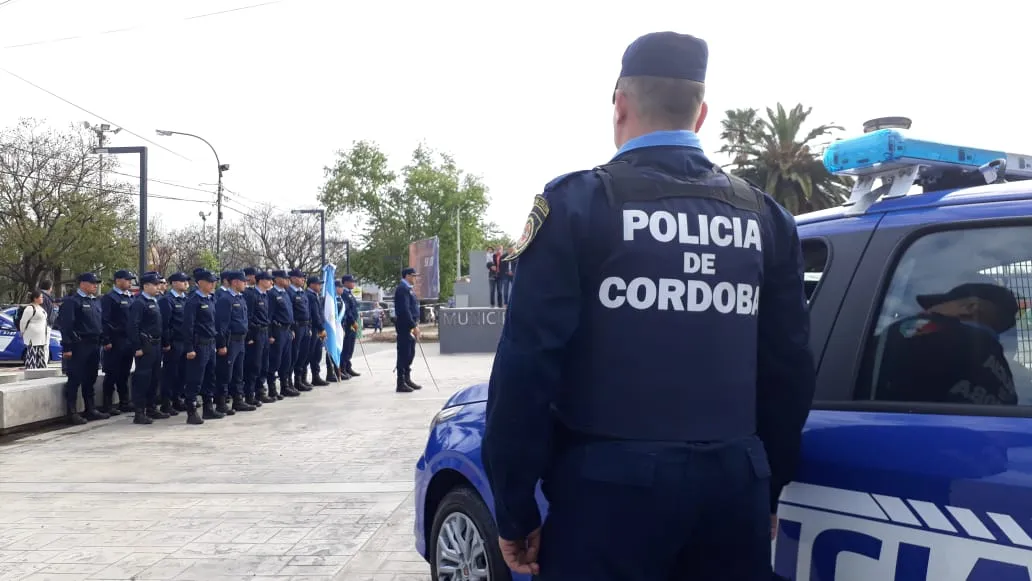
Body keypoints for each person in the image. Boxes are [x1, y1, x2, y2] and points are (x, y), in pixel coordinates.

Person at [480, 32, 816, 581]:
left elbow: (526, 370)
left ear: (620, 105)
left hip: (607, 497)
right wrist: (768, 487)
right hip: (734, 491)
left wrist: (514, 508)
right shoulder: (766, 217)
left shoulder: (577, 206)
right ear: (701, 113)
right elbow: (790, 369)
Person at [876, 281, 1020, 405]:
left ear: (970, 307)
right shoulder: (1006, 380)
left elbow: (871, 354)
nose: (925, 312)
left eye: (936, 305)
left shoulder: (933, 330)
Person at [58, 273, 109, 425]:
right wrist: (67, 347)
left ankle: (90, 409)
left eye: (96, 283)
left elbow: (99, 323)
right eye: (92, 283)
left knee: (90, 378)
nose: (95, 286)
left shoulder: (95, 301)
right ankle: (72, 412)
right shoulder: (72, 301)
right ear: (82, 284)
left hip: (94, 344)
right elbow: (66, 326)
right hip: (79, 344)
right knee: (75, 378)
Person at [127, 273, 167, 425]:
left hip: (156, 344)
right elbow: (133, 326)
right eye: (155, 284)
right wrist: (137, 346)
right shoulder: (139, 303)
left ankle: (151, 407)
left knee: (154, 378)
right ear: (146, 286)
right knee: (143, 378)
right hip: (145, 346)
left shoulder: (154, 301)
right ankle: (139, 412)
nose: (158, 287)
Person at [182, 269, 220, 424]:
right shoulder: (193, 301)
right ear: (200, 283)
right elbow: (188, 326)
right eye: (210, 282)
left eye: (213, 282)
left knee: (210, 377)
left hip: (210, 343)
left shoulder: (210, 299)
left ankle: (208, 408)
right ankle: (191, 411)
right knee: (195, 379)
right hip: (199, 345)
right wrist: (189, 348)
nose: (213, 284)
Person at [216, 270, 254, 413]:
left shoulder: (241, 298)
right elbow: (222, 324)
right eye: (243, 282)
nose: (245, 284)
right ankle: (221, 403)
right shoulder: (225, 299)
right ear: (235, 282)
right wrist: (222, 344)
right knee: (226, 372)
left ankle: (238, 400)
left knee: (238, 372)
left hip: (241, 340)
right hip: (230, 341)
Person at [100, 269, 136, 415]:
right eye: (127, 280)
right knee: (112, 373)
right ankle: (107, 405)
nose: (130, 282)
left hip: (128, 340)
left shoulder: (130, 297)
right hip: (115, 340)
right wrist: (107, 339)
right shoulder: (110, 298)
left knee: (124, 373)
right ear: (118, 280)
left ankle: (124, 402)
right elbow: (105, 320)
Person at [159, 272, 191, 415]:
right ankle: (166, 403)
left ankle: (177, 399)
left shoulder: (186, 299)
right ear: (174, 283)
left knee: (182, 373)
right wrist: (166, 342)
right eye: (182, 281)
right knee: (170, 373)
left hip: (185, 341)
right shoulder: (167, 300)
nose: (186, 283)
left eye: (186, 281)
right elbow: (165, 324)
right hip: (174, 342)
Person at [244, 271, 276, 406]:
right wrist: (250, 336)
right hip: (256, 333)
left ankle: (260, 391)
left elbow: (267, 317)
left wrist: (269, 334)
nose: (271, 282)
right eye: (269, 280)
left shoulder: (265, 295)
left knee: (264, 364)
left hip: (264, 332)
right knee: (254, 365)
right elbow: (249, 317)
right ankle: (249, 394)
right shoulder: (252, 295)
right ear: (261, 281)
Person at [268, 270, 299, 398]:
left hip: (287, 330)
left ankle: (284, 386)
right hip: (278, 330)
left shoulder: (285, 293)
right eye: (285, 278)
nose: (287, 280)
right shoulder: (272, 294)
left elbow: (289, 313)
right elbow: (269, 316)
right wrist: (270, 334)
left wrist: (291, 329)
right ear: (277, 279)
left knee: (287, 360)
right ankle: (272, 389)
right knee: (275, 360)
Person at [393, 267, 422, 393]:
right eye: (414, 276)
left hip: (410, 325)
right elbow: (405, 310)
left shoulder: (408, 289)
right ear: (407, 276)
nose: (415, 278)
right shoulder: (402, 289)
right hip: (405, 326)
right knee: (404, 354)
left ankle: (407, 378)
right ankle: (401, 382)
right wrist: (413, 326)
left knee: (410, 353)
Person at [288, 269, 313, 391]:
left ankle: (300, 379)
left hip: (305, 326)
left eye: (303, 277)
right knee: (294, 355)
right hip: (296, 327)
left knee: (303, 354)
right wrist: (292, 328)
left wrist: (309, 327)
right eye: (300, 277)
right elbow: (290, 313)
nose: (303, 279)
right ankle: (289, 382)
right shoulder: (289, 292)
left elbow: (307, 311)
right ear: (293, 278)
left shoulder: (302, 292)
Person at [306, 275, 330, 386]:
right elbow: (314, 315)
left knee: (317, 353)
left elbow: (320, 313)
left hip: (318, 328)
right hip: (313, 328)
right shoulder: (309, 296)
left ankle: (316, 376)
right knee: (310, 353)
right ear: (311, 285)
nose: (320, 286)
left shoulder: (315, 295)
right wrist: (321, 328)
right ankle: (303, 378)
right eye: (318, 284)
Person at [20, 290, 50, 370]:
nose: (42, 299)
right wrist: (22, 331)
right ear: (35, 298)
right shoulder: (30, 308)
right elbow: (23, 321)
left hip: (41, 336)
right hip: (32, 335)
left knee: (40, 353)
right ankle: (31, 368)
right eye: (41, 297)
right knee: (32, 352)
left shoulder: (40, 308)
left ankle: (41, 368)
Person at [340, 275, 361, 378]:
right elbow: (347, 310)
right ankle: (343, 368)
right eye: (351, 282)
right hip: (348, 324)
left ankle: (348, 366)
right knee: (346, 347)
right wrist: (352, 321)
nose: (353, 283)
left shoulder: (349, 293)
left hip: (353, 324)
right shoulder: (344, 293)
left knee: (350, 347)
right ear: (345, 282)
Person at [326, 281, 347, 382]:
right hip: (332, 328)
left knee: (339, 349)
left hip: (339, 328)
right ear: (335, 288)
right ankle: (331, 373)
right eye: (340, 287)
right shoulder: (331, 300)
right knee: (331, 350)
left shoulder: (340, 299)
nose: (342, 289)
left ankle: (338, 370)